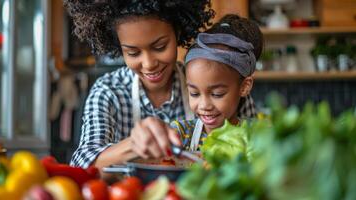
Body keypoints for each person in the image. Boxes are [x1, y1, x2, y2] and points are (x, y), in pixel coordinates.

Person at [64, 0, 257, 171]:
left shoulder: (219, 83)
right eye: (133, 53)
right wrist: (134, 145)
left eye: (159, 47)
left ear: (178, 33)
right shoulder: (108, 91)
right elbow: (81, 164)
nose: (149, 64)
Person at [171, 14, 263, 151]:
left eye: (217, 94)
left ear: (244, 86)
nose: (204, 105)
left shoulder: (257, 135)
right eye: (194, 93)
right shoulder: (181, 134)